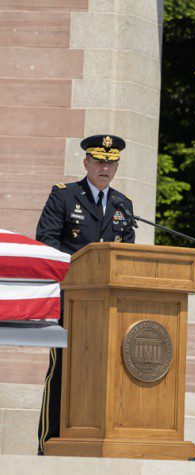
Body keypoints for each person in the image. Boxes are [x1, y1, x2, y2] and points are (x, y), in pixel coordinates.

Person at [36, 134, 135, 454]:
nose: (105, 167)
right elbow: (46, 243)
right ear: (87, 163)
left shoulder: (123, 204)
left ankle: (94, 441)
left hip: (108, 307)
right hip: (71, 302)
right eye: (100, 161)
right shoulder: (64, 196)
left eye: (112, 162)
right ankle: (48, 443)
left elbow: (127, 255)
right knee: (62, 369)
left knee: (104, 372)